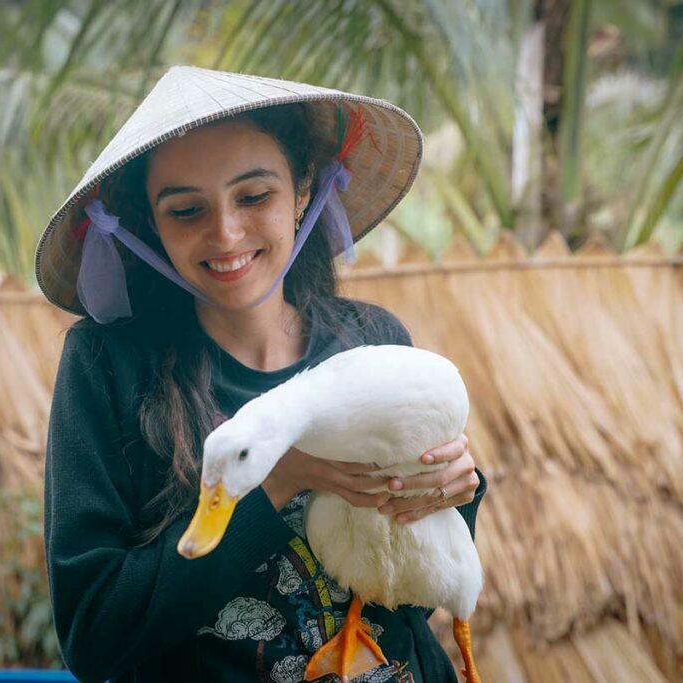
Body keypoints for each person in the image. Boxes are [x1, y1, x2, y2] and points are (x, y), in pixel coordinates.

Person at [36, 66, 486, 683]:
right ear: (152, 224)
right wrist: (275, 483)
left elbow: (413, 599)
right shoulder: (106, 367)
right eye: (187, 209)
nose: (225, 234)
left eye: (254, 196)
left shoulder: (372, 341)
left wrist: (455, 492)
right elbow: (94, 637)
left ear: (303, 189)